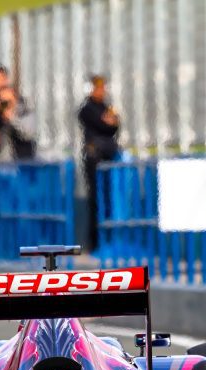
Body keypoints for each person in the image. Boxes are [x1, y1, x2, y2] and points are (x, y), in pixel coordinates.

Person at [78, 75, 121, 251]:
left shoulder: (105, 106)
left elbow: (114, 125)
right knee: (96, 201)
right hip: (94, 159)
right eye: (98, 88)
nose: (101, 91)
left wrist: (110, 122)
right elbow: (103, 124)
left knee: (109, 200)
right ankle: (95, 243)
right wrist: (108, 122)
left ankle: (109, 240)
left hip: (108, 157)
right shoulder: (87, 109)